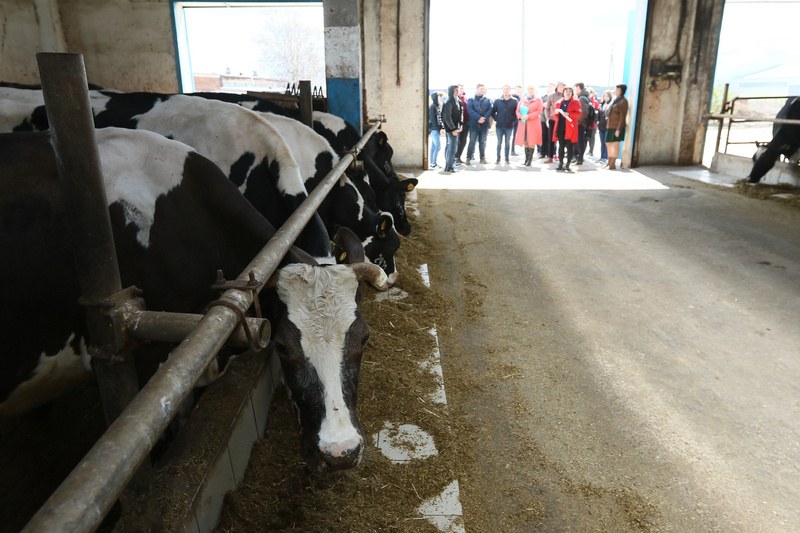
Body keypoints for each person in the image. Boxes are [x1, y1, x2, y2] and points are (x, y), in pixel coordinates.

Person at [551, 86, 582, 171]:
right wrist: (556, 113)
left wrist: (569, 114)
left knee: (569, 146)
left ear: (572, 93)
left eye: (569, 91)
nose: (568, 93)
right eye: (566, 91)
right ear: (563, 93)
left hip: (570, 128)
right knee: (561, 146)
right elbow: (554, 114)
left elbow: (578, 114)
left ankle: (568, 164)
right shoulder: (559, 102)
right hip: (560, 126)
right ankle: (560, 163)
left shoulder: (575, 102)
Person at [514, 84, 543, 166]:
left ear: (534, 90)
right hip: (523, 123)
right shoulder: (523, 99)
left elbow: (539, 111)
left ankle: (529, 160)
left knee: (532, 141)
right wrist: (520, 117)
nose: (530, 90)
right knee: (525, 141)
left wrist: (529, 116)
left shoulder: (538, 100)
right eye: (529, 88)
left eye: (532, 88)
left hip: (533, 123)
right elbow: (517, 110)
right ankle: (526, 159)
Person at [466, 83, 493, 165]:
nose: (483, 90)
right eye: (481, 89)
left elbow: (490, 109)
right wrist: (478, 118)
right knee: (472, 141)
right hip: (473, 124)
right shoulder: (471, 99)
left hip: (484, 125)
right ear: (477, 89)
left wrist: (484, 118)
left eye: (484, 89)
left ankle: (482, 158)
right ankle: (468, 158)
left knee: (482, 141)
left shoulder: (488, 100)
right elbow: (470, 110)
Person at [604, 83, 629, 170]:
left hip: (617, 126)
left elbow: (623, 116)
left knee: (616, 142)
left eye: (618, 90)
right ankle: (609, 161)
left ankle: (613, 163)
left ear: (622, 91)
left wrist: (619, 129)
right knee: (608, 143)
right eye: (615, 89)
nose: (616, 91)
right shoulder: (614, 100)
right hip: (610, 125)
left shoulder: (623, 101)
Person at [492, 85, 518, 165]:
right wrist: (497, 118)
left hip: (509, 126)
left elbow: (516, 112)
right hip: (499, 126)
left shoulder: (514, 101)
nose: (506, 91)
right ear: (502, 90)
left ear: (510, 90)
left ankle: (507, 158)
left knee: (507, 143)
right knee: (499, 142)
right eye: (504, 89)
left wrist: (512, 119)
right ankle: (498, 158)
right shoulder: (497, 101)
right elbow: (493, 111)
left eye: (507, 89)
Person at [441, 84, 463, 173]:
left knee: (452, 147)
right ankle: (449, 167)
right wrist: (453, 129)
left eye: (458, 90)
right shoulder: (449, 102)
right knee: (452, 148)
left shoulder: (458, 101)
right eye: (455, 90)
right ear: (451, 91)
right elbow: (447, 118)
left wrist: (461, 124)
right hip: (451, 129)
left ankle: (449, 165)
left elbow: (461, 114)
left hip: (455, 128)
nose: (457, 92)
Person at [543, 82, 564, 164]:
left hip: (562, 120)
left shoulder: (566, 95)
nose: (561, 88)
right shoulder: (551, 95)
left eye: (563, 86)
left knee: (562, 139)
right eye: (560, 86)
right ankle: (550, 156)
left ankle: (560, 156)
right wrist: (548, 118)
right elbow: (547, 108)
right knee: (551, 139)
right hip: (552, 119)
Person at [574, 82, 592, 165]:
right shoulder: (584, 97)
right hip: (582, 123)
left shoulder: (582, 98)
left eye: (575, 88)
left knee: (580, 141)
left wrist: (578, 122)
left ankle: (580, 158)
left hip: (580, 124)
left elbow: (583, 112)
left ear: (578, 87)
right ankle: (579, 157)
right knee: (581, 140)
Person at [428, 91, 444, 169]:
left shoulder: (437, 106)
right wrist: (438, 129)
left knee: (434, 147)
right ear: (435, 97)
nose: (441, 98)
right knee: (438, 146)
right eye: (440, 96)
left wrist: (441, 128)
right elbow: (433, 120)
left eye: (442, 96)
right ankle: (433, 164)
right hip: (434, 130)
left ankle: (432, 163)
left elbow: (439, 119)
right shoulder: (432, 107)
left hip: (436, 129)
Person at [597, 89, 613, 163]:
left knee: (606, 142)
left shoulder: (611, 105)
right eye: (605, 96)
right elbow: (599, 114)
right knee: (602, 142)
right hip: (601, 126)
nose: (606, 97)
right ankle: (602, 157)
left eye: (607, 96)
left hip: (608, 126)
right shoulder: (601, 104)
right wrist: (597, 121)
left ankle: (606, 157)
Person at [455, 84, 469, 165]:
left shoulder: (465, 99)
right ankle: (455, 157)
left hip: (466, 123)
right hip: (457, 124)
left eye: (462, 88)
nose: (461, 90)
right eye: (460, 88)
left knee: (463, 141)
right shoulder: (455, 99)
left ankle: (459, 157)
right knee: (457, 141)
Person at [586, 87, 600, 157]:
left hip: (593, 123)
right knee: (586, 137)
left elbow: (598, 112)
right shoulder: (586, 101)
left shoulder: (595, 102)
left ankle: (591, 151)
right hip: (586, 123)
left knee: (592, 137)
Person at [510, 85, 523, 156]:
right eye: (517, 89)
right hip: (510, 119)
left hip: (517, 119)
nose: (518, 91)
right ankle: (508, 149)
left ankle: (513, 150)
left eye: (520, 90)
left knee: (515, 135)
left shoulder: (521, 99)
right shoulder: (511, 97)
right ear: (515, 90)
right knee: (508, 135)